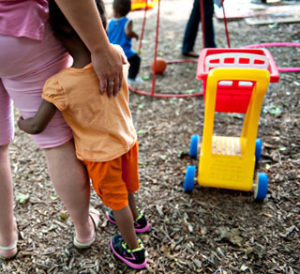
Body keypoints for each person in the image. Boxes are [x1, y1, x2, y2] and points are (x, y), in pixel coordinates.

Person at [18, 0, 150, 269]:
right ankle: (139, 221)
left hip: (102, 156)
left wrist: (23, 123)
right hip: (127, 141)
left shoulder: (59, 84)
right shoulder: (114, 55)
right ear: (101, 24)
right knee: (127, 189)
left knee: (116, 201)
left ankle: (133, 248)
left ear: (61, 35)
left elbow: (37, 126)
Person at [0, 0, 124, 260]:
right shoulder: (64, 83)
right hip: (20, 32)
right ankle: (83, 229)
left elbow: (34, 123)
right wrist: (100, 47)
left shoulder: (62, 86)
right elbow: (38, 126)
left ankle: (5, 239)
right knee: (56, 143)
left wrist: (29, 124)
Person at [107, 0, 143, 85]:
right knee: (136, 60)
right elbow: (128, 32)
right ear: (128, 9)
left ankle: (115, 79)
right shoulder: (127, 21)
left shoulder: (110, 22)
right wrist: (135, 35)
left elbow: (106, 33)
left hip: (112, 51)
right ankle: (131, 79)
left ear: (114, 8)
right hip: (124, 51)